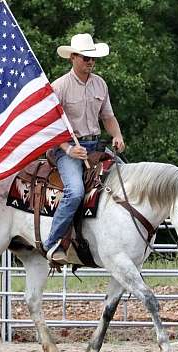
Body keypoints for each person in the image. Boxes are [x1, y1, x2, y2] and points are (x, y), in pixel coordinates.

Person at [44, 33, 126, 263]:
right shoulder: (59, 87)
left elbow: (108, 117)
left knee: (125, 178)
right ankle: (54, 242)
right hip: (65, 148)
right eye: (85, 58)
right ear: (73, 58)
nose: (90, 62)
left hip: (94, 145)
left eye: (93, 58)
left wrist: (117, 135)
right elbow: (49, 127)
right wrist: (69, 150)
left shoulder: (100, 83)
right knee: (76, 191)